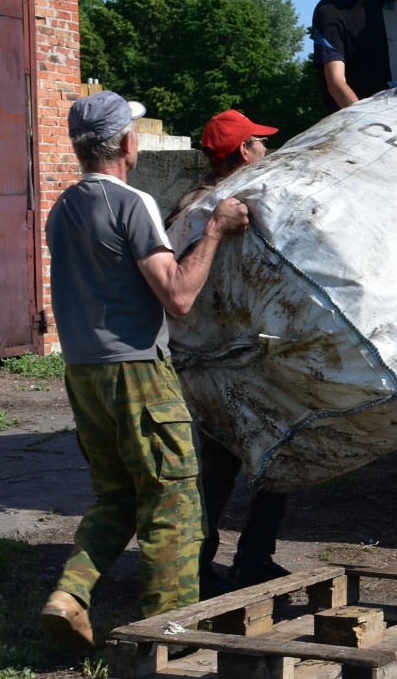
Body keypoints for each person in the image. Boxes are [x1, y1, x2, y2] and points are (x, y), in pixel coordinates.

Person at [40, 91, 250, 649]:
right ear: (127, 144)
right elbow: (178, 295)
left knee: (118, 496)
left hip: (83, 374)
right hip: (136, 373)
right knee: (173, 500)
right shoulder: (130, 203)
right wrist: (215, 231)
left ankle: (70, 596)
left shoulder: (60, 209)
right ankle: (169, 640)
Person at [166, 108, 291, 599]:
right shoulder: (216, 209)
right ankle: (217, 564)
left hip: (229, 357)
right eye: (260, 143)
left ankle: (246, 560)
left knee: (260, 462)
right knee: (227, 466)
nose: (267, 150)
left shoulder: (188, 206)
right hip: (225, 362)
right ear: (243, 152)